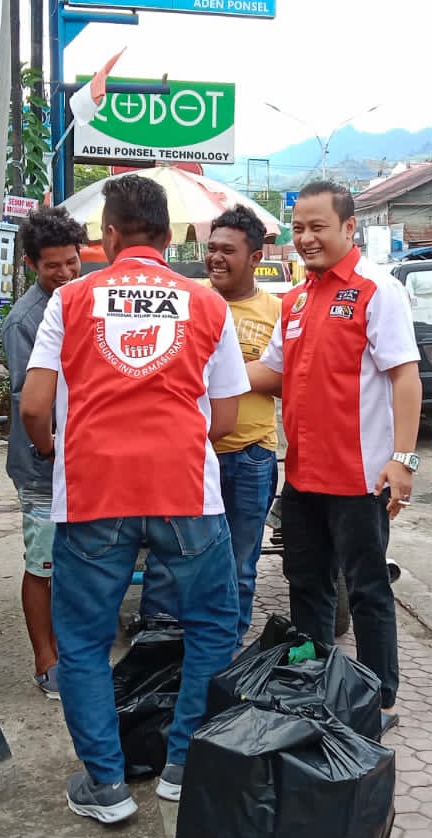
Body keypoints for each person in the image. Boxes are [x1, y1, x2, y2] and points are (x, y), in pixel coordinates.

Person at [21, 174, 247, 824]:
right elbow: (227, 417)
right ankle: (183, 767)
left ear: (109, 235)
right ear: (171, 235)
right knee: (213, 625)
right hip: (186, 489)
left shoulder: (70, 300)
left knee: (83, 640)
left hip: (95, 490)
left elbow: (34, 407)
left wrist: (54, 449)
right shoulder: (208, 305)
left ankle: (106, 785)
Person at [245, 181, 421, 732]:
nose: (306, 238)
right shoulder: (297, 299)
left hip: (361, 478)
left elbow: (406, 376)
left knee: (367, 590)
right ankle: (317, 685)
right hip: (303, 475)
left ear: (349, 227)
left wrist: (404, 459)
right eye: (298, 228)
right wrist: (202, 373)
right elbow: (271, 373)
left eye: (317, 227)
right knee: (307, 586)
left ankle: (379, 701)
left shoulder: (377, 290)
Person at [138, 204, 282, 641]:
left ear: (255, 258)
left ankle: (226, 649)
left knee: (238, 563)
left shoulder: (276, 311)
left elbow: (282, 377)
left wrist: (211, 375)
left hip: (250, 456)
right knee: (167, 560)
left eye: (228, 251)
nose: (215, 258)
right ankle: (158, 648)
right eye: (212, 248)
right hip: (187, 453)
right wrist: (239, 373)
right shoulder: (184, 300)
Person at [3, 206, 87, 698]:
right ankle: (45, 658)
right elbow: (29, 402)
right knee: (43, 564)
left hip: (82, 457)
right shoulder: (25, 320)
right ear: (32, 264)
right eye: (52, 265)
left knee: (77, 561)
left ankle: (73, 649)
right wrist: (51, 449)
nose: (65, 273)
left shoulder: (86, 299)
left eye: (72, 261)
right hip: (43, 462)